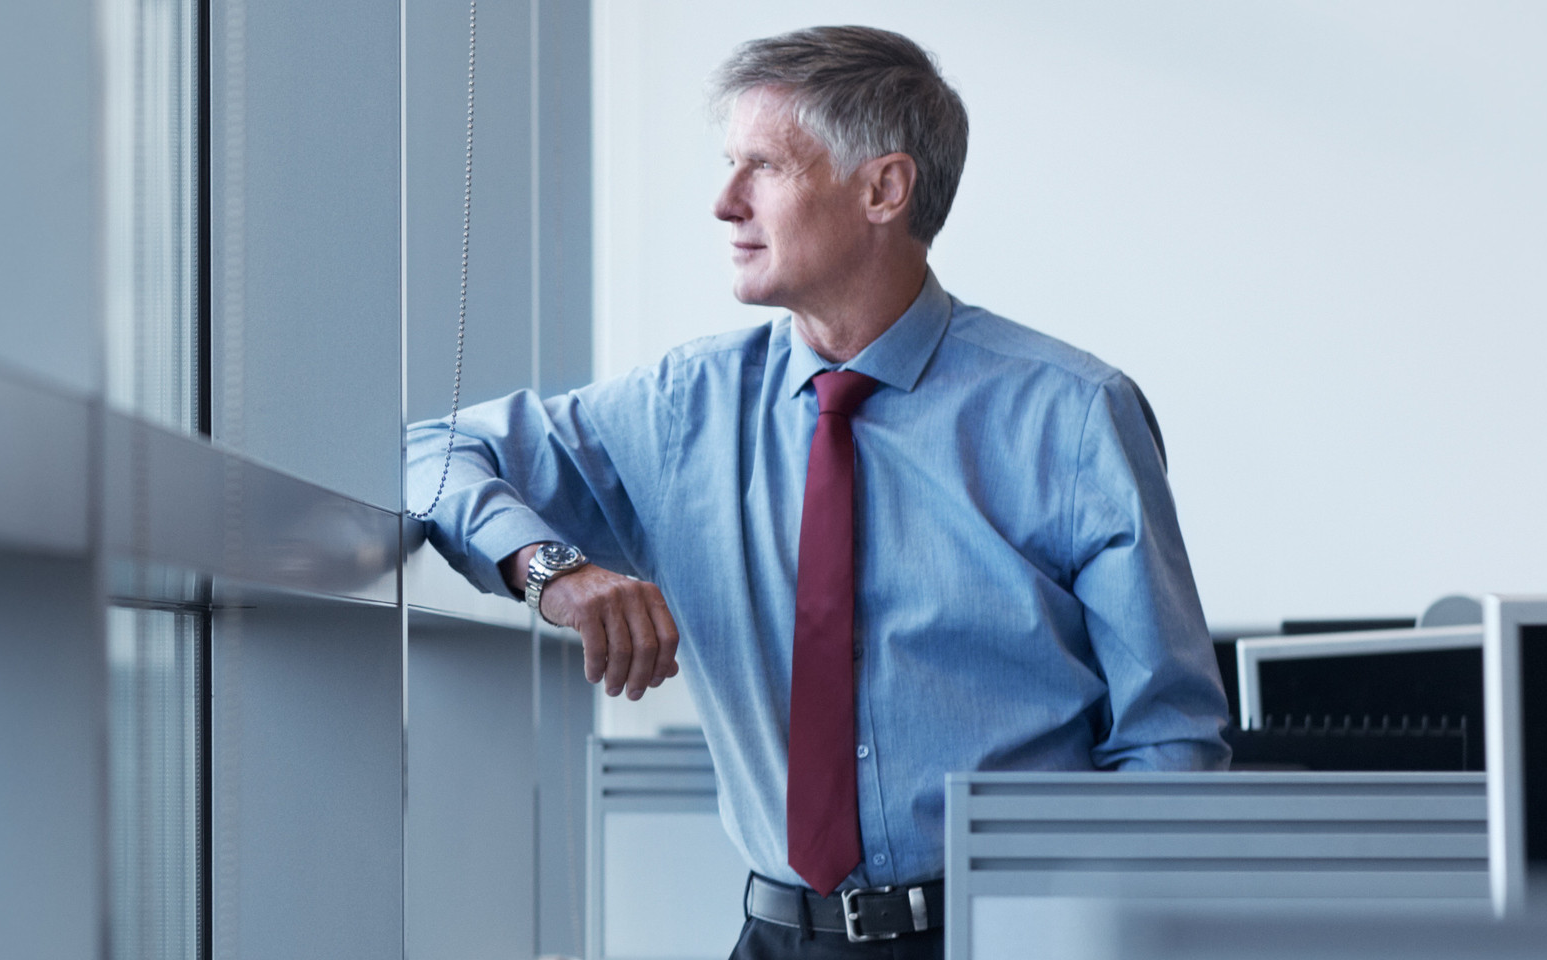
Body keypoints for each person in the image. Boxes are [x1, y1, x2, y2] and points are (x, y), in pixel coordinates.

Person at [404, 25, 1230, 960]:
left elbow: (1168, 745)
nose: (724, 203)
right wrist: (551, 569)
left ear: (884, 188)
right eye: (729, 165)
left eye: (763, 167)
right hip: (778, 937)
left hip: (1012, 934)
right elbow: (430, 455)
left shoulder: (1073, 416)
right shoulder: (684, 408)